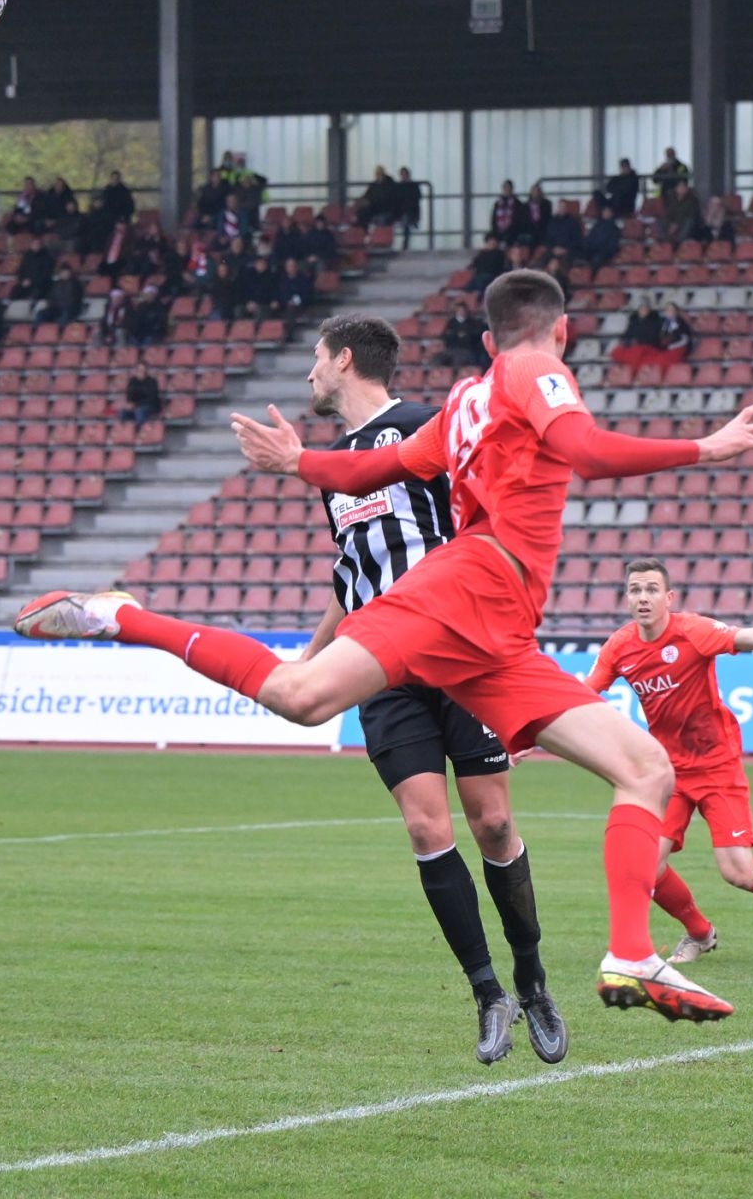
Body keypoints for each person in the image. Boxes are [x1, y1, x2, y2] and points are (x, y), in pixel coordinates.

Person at [12, 269, 753, 1023]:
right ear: (561, 330)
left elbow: (375, 467)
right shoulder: (533, 365)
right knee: (300, 696)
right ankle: (124, 617)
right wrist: (706, 448)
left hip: (499, 628)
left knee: (645, 768)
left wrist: (296, 463)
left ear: (484, 337)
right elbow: (584, 448)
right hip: (470, 587)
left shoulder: (464, 402)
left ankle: (628, 953)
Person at [289, 315, 568, 1064]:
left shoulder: (428, 428)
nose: (308, 374)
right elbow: (352, 574)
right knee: (424, 828)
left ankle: (533, 978)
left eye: (315, 360)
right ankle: (488, 995)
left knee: (495, 826)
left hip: (459, 651)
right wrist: (308, 658)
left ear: (345, 360)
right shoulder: (331, 468)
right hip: (380, 663)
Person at [585, 560, 753, 963]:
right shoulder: (620, 647)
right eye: (635, 590)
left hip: (716, 763)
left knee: (737, 874)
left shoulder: (693, 631)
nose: (643, 598)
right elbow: (585, 695)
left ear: (668, 598)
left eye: (652, 590)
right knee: (645, 868)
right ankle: (700, 933)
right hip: (667, 771)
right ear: (626, 598)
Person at [435, 299, 489, 369]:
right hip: (452, 349)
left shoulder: (472, 323)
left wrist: (463, 336)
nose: (461, 312)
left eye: (463, 310)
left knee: (458, 359)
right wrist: (456, 336)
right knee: (438, 358)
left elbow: (474, 337)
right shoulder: (451, 323)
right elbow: (446, 337)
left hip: (466, 350)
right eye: (459, 310)